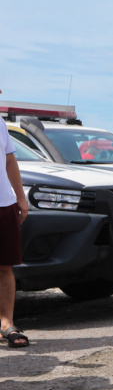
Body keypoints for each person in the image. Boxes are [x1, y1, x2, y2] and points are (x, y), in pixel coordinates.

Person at [1, 120, 28, 348]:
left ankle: (6, 322)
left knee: (5, 266)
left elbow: (9, 160)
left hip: (4, 204)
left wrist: (20, 197)